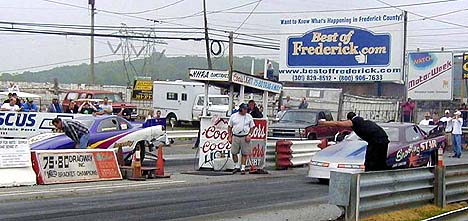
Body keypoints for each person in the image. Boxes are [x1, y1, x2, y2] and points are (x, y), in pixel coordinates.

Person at [319, 112, 390, 171]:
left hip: (376, 141)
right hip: (384, 139)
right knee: (381, 160)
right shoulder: (364, 121)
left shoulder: (354, 121)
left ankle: (369, 175)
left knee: (370, 160)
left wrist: (324, 123)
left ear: (349, 118)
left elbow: (338, 123)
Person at [227, 103, 255, 175]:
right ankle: (236, 166)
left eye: (246, 109)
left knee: (244, 153)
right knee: (234, 152)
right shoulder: (233, 116)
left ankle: (243, 167)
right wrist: (229, 136)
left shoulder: (249, 116)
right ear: (240, 109)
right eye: (244, 109)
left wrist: (249, 135)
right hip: (235, 136)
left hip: (245, 136)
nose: (246, 111)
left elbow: (252, 127)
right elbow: (230, 126)